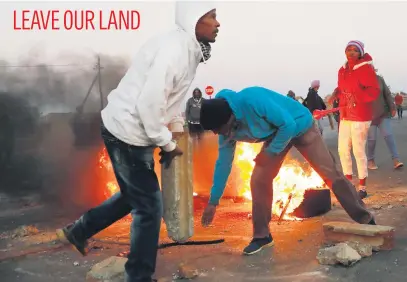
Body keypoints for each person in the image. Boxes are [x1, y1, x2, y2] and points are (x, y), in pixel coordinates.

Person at [56, 3, 220, 282]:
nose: (218, 24)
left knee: (134, 197)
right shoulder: (174, 52)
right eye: (211, 17)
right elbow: (148, 104)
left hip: (136, 133)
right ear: (194, 20)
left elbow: (171, 100)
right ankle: (139, 276)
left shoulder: (188, 50)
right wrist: (166, 143)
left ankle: (78, 232)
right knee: (149, 208)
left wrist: (172, 132)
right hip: (126, 132)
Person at [200, 87, 376, 256]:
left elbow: (288, 125)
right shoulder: (226, 131)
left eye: (218, 129)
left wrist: (270, 153)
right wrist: (213, 201)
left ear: (228, 117)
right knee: (259, 179)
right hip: (276, 135)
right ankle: (262, 236)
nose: (217, 133)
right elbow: (223, 163)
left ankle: (366, 218)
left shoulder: (252, 100)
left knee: (330, 174)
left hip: (300, 125)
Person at [328, 40, 380, 199]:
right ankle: (349, 184)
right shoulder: (342, 70)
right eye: (348, 49)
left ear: (360, 53)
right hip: (345, 114)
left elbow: (374, 90)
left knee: (358, 150)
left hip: (360, 115)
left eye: (354, 50)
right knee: (343, 149)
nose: (351, 52)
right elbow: (342, 88)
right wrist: (336, 93)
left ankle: (362, 187)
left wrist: (358, 98)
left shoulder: (365, 68)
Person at [367, 74, 403, 170]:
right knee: (371, 140)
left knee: (389, 136)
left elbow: (387, 94)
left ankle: (396, 159)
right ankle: (370, 161)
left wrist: (392, 107)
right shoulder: (361, 81)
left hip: (383, 113)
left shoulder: (379, 79)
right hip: (369, 116)